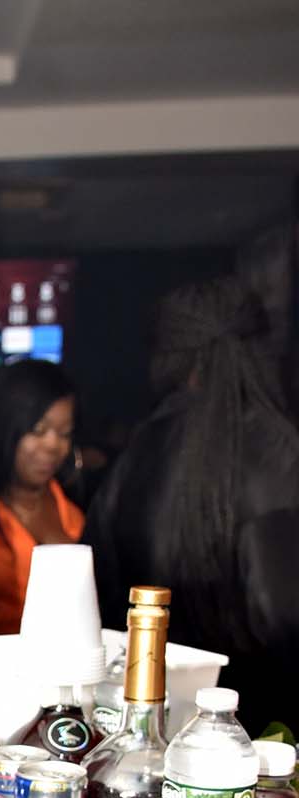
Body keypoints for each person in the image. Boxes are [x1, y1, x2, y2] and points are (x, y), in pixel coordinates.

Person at [84, 275, 299, 737]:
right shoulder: (282, 454)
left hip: (154, 723)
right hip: (265, 734)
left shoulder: (136, 457)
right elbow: (283, 618)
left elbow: (99, 593)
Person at [0, 359, 84, 635]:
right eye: (38, 430)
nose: (53, 445)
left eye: (64, 433)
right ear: (4, 427)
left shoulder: (73, 513)